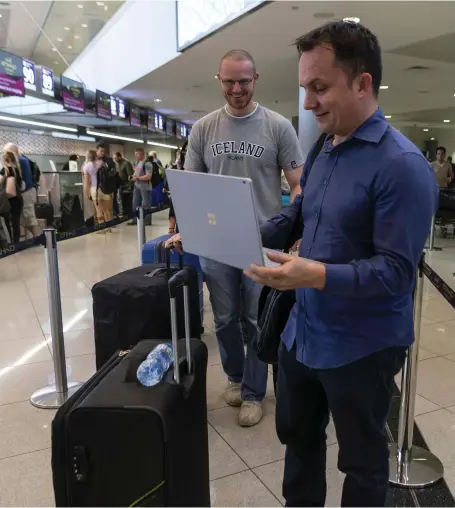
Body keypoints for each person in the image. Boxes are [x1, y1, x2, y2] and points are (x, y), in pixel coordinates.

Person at [244, 21, 438, 506]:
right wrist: (237, 231)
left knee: (362, 461)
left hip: (362, 347)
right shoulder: (323, 149)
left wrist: (314, 274)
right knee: (299, 441)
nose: (308, 103)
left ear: (363, 83)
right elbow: (299, 212)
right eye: (305, 88)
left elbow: (396, 273)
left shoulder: (402, 166)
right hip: (303, 333)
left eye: (319, 87)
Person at [166, 49, 304, 427]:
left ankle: (254, 393)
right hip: (216, 243)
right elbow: (190, 187)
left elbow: (299, 185)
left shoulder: (277, 127)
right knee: (225, 319)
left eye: (244, 81)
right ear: (220, 81)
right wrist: (184, 229)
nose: (236, 88)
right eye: (229, 81)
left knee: (256, 318)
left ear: (255, 80)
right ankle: (235, 376)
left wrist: (295, 230)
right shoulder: (204, 129)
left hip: (263, 243)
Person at [2, 143, 40, 238]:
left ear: (12, 151)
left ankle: (40, 240)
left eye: (5, 152)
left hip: (26, 193)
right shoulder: (24, 159)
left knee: (30, 220)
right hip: (28, 192)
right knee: (26, 220)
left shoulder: (20, 161)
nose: (4, 155)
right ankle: (32, 241)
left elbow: (23, 182)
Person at [82, 149, 112, 234]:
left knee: (99, 210)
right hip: (105, 189)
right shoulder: (102, 163)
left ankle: (102, 229)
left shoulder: (87, 166)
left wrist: (86, 193)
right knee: (106, 210)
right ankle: (109, 227)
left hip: (95, 189)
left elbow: (86, 183)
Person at [163, 142, 187, 233]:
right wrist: (171, 228)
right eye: (185, 152)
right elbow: (174, 204)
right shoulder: (176, 170)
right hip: (182, 222)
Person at [0, 151, 24, 243]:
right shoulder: (18, 170)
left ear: (4, 159)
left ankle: (9, 242)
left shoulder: (4, 170)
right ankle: (16, 242)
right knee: (16, 221)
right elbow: (22, 186)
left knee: (6, 222)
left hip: (7, 200)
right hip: (18, 199)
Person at [128, 147, 154, 226]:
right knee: (135, 203)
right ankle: (135, 219)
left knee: (146, 204)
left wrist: (138, 178)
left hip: (145, 187)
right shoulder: (138, 163)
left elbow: (149, 176)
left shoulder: (148, 164)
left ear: (141, 154)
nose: (135, 155)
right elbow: (136, 173)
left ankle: (147, 220)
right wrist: (133, 177)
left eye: (137, 154)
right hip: (137, 186)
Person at [114, 152, 134, 217]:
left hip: (127, 185)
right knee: (120, 200)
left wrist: (130, 186)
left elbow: (130, 175)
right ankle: (122, 213)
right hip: (121, 185)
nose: (115, 159)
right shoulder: (117, 164)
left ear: (120, 157)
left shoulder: (126, 163)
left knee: (127, 201)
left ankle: (128, 214)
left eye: (116, 158)